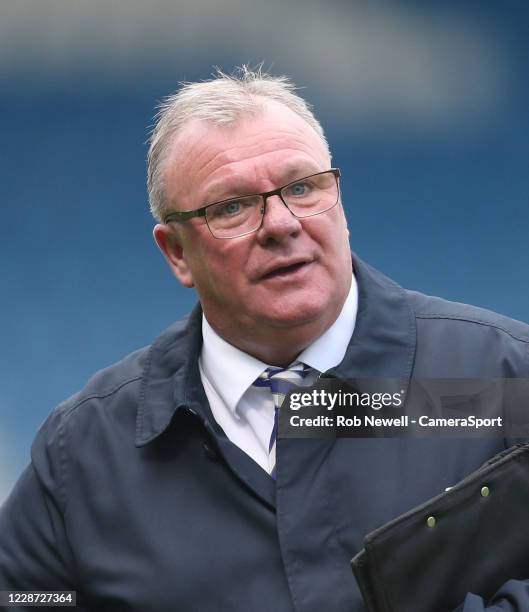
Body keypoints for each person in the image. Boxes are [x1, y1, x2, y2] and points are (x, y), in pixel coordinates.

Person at [0, 67, 528, 612]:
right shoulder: (84, 453)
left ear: (339, 199)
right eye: (231, 206)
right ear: (176, 252)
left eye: (302, 187)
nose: (281, 223)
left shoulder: (505, 380)